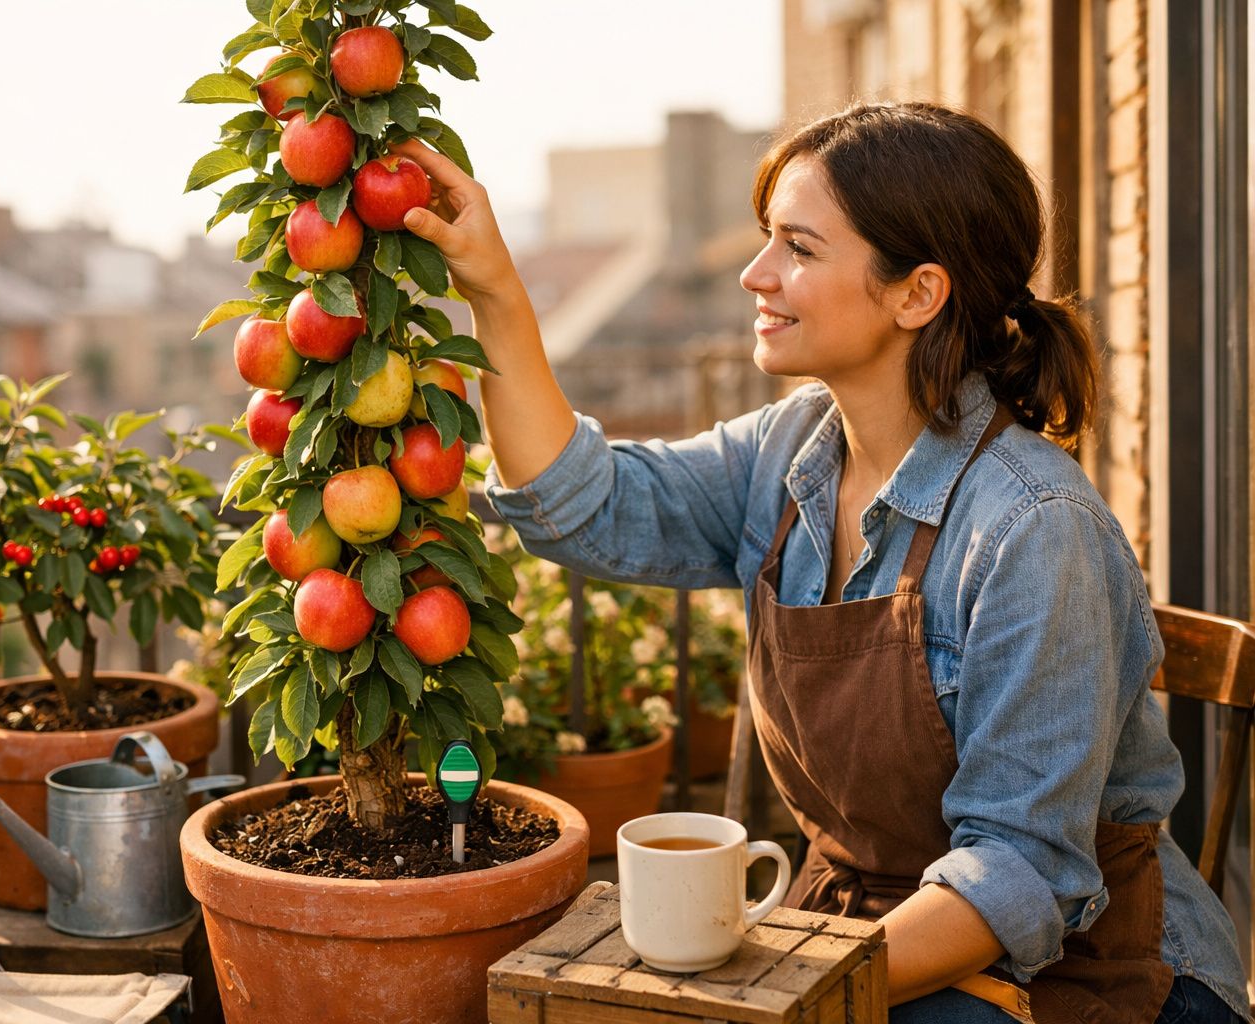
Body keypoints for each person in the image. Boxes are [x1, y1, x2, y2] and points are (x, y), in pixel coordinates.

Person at [391, 102, 1248, 1023]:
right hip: (858, 933)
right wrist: (490, 289)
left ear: (917, 294)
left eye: (798, 248)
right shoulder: (791, 452)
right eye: (768, 241)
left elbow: (1016, 874)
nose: (757, 275)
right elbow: (585, 505)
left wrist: (774, 985)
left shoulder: (1035, 528)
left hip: (1083, 974)